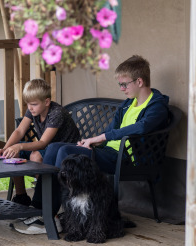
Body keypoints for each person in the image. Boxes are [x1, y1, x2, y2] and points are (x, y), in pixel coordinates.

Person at [19, 55, 170, 235]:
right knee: (54, 148)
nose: (122, 89)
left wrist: (99, 138)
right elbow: (112, 128)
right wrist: (90, 142)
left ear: (139, 81)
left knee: (65, 150)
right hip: (107, 152)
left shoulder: (157, 106)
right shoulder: (128, 104)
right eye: (120, 85)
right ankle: (41, 209)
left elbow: (141, 127)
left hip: (127, 158)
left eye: (124, 84)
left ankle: (48, 215)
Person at [0, 79, 80, 207]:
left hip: (65, 152)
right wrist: (5, 149)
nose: (30, 108)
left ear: (47, 102)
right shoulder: (34, 109)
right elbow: (19, 131)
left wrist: (20, 146)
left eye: (33, 104)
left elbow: (43, 143)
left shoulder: (57, 113)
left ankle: (43, 201)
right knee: (12, 152)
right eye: (27, 104)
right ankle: (22, 197)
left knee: (35, 156)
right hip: (48, 149)